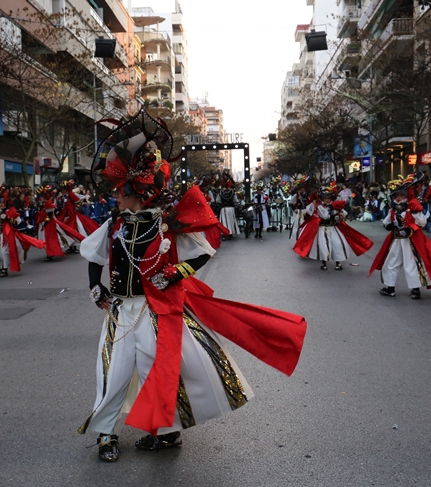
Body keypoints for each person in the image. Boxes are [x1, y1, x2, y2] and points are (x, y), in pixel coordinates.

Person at [80, 109, 307, 463]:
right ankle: (106, 434)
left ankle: (167, 433)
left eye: (120, 192)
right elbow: (93, 256)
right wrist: (97, 289)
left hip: (157, 311)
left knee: (160, 369)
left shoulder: (165, 225)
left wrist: (175, 273)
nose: (116, 198)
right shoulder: (115, 224)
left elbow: (203, 252)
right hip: (122, 311)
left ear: (136, 191)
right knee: (113, 371)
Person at [369, 174, 431, 299]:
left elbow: (422, 222)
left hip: (411, 241)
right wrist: (393, 225)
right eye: (396, 196)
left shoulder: (412, 208)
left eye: (401, 195)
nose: (399, 198)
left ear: (406, 195)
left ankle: (415, 290)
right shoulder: (393, 210)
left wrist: (409, 224)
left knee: (411, 264)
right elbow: (386, 223)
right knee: (391, 262)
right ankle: (390, 288)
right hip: (397, 239)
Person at [293, 181, 373, 270]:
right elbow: (325, 216)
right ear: (322, 199)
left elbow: (343, 213)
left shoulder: (335, 205)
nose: (327, 200)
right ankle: (324, 263)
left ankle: (338, 263)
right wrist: (333, 213)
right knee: (324, 246)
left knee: (337, 244)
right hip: (322, 228)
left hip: (333, 228)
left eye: (329, 198)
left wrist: (339, 215)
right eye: (325, 198)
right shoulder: (319, 206)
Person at [0, 196, 45, 277]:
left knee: (4, 251)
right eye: (0, 203)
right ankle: (0, 267)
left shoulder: (9, 211)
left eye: (3, 203)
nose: (1, 204)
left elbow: (18, 222)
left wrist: (8, 218)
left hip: (7, 235)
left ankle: (4, 268)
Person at [37, 197, 84, 262]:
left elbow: (49, 215)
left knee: (51, 239)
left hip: (50, 225)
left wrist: (45, 222)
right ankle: (51, 253)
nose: (40, 198)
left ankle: (50, 254)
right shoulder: (44, 203)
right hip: (47, 224)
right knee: (49, 238)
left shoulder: (48, 203)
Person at [215, 171, 240, 238]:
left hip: (224, 208)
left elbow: (218, 200)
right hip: (231, 208)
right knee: (231, 220)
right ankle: (231, 232)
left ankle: (224, 233)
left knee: (224, 221)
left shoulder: (221, 192)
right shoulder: (232, 192)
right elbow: (236, 200)